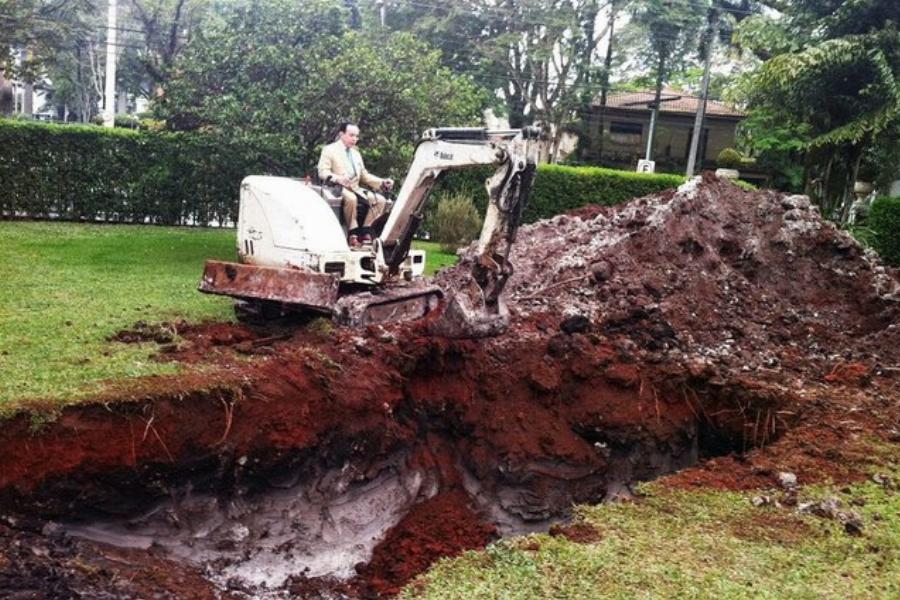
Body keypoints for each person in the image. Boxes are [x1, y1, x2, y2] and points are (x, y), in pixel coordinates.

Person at [317, 122, 394, 247]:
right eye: (351, 135)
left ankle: (365, 231)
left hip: (355, 188)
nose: (355, 139)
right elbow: (322, 171)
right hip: (336, 187)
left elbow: (364, 175)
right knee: (351, 199)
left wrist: (381, 182)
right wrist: (338, 179)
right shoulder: (329, 150)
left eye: (356, 136)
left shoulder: (356, 153)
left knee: (380, 200)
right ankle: (352, 233)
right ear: (342, 134)